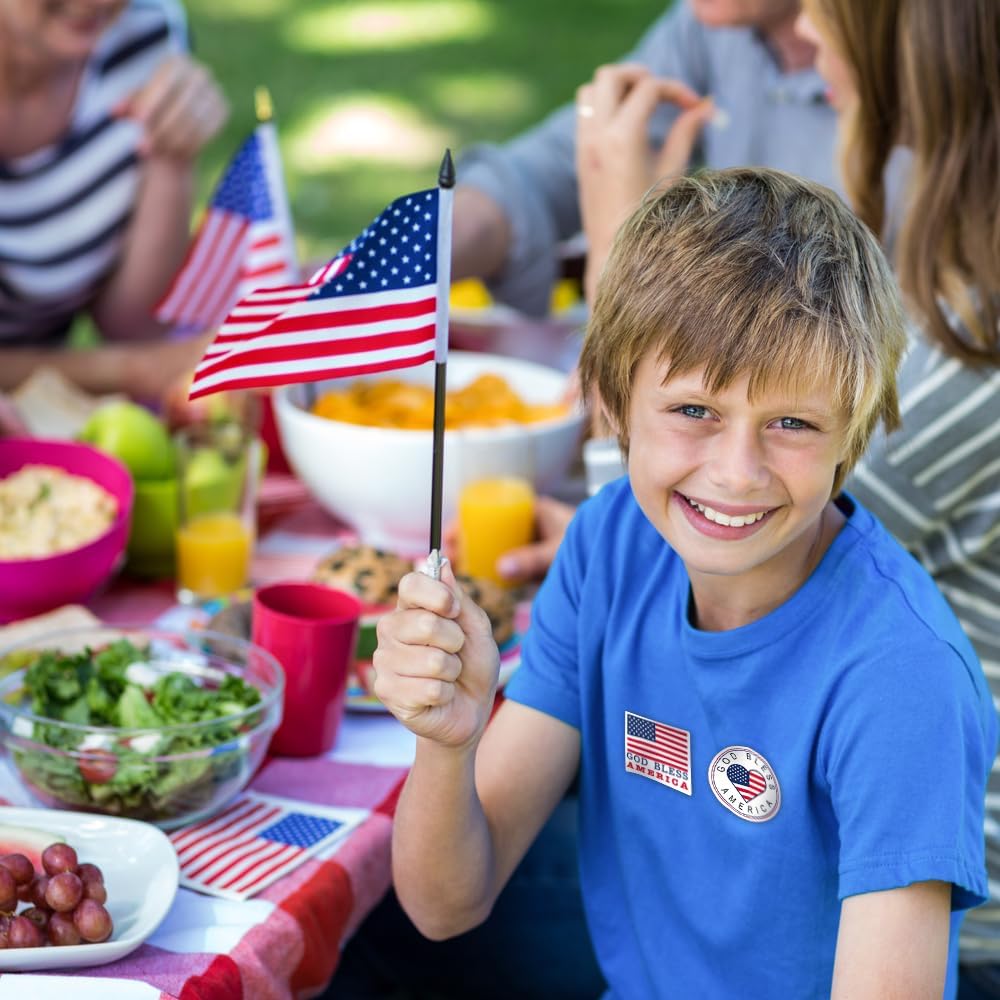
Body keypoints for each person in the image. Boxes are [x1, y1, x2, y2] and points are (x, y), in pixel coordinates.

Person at [373, 168, 996, 999]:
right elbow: (447, 903)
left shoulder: (900, 678)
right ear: (610, 400)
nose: (737, 474)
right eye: (695, 412)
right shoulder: (608, 545)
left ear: (853, 430)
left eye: (792, 424)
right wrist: (447, 744)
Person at [791, 3, 1000, 996]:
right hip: (854, 833)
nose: (799, 26)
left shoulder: (976, 339)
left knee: (408, 933)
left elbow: (723, 545)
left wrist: (623, 232)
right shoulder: (963, 284)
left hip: (939, 914)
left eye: (818, 3)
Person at [451, 0, 836, 316]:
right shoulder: (712, 25)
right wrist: (412, 258)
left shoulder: (885, 82)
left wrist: (623, 248)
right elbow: (546, 171)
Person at [0, 0, 227, 397]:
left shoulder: (148, 28)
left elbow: (135, 325)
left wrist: (172, 152)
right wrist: (133, 371)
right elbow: (147, 360)